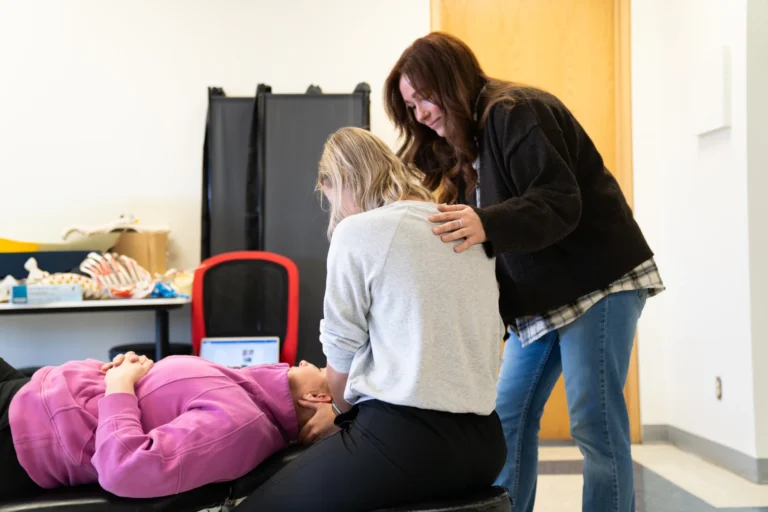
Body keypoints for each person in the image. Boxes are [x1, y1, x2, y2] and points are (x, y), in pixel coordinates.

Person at [384, 32, 665, 512]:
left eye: (424, 98)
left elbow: (558, 202)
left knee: (593, 421)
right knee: (506, 416)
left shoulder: (516, 112)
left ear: (450, 82)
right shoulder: (465, 147)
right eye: (411, 107)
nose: (421, 115)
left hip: (597, 283)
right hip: (543, 298)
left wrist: (484, 223)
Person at [236, 127, 507, 512]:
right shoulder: (463, 226)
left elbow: (341, 353)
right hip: (485, 444)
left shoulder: (358, 231)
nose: (339, 213)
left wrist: (338, 411)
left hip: (406, 441)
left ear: (342, 182)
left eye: (334, 201)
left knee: (252, 507)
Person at [0, 352, 330, 501]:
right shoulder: (250, 388)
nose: (304, 360)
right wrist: (133, 368)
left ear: (316, 397)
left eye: (320, 366)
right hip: (35, 392)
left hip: (22, 432)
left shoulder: (243, 424)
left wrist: (120, 386)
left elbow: (125, 469)